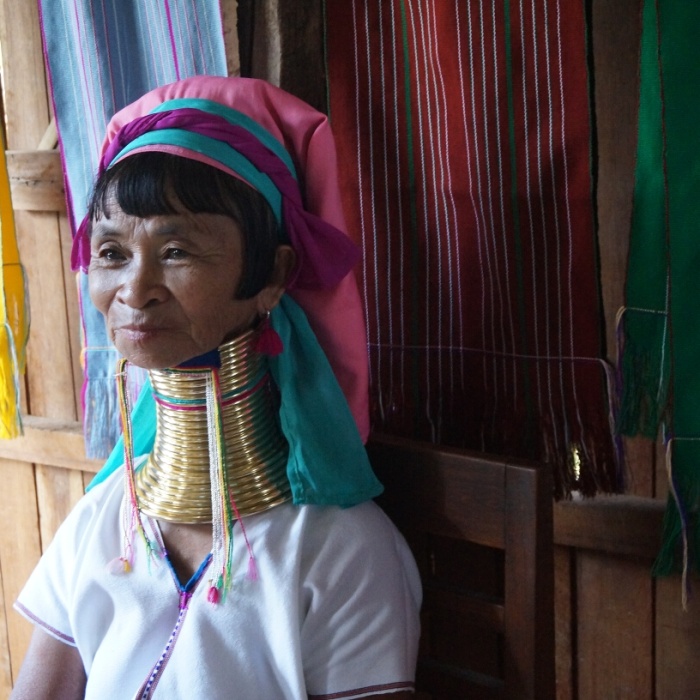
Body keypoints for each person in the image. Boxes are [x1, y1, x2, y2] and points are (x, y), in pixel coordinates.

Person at [11, 76, 421, 699]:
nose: (134, 289)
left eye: (176, 250)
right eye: (112, 252)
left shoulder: (338, 549)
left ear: (274, 273)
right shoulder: (103, 517)